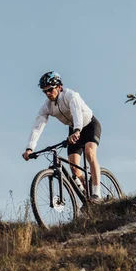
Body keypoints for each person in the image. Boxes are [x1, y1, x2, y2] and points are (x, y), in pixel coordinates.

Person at [22, 71, 103, 202]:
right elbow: (38, 126)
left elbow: (77, 113)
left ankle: (96, 193)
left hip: (89, 125)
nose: (48, 93)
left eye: (50, 90)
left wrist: (77, 130)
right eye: (45, 91)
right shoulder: (47, 106)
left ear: (59, 87)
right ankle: (87, 196)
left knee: (89, 153)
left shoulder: (70, 95)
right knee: (74, 168)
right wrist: (29, 148)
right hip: (74, 130)